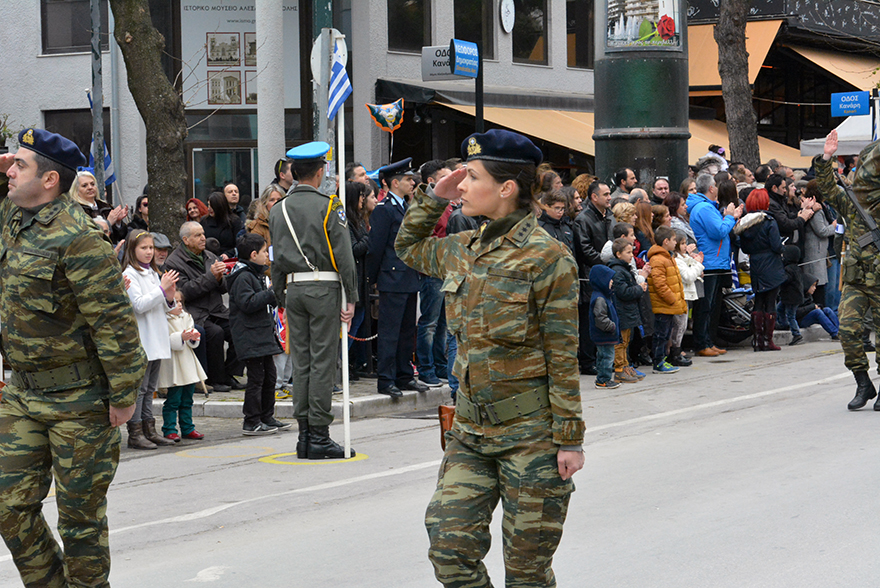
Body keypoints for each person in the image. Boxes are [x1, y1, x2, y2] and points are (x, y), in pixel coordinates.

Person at [395, 128, 585, 587]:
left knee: (526, 574)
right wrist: (434, 198)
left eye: (470, 176)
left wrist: (570, 438)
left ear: (506, 188)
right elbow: (408, 247)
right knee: (448, 548)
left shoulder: (548, 258)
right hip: (470, 433)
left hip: (532, 438)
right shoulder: (465, 250)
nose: (460, 184)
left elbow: (563, 355)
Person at [0, 128, 147, 587]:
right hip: (22, 393)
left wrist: (124, 394)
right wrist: (11, 159)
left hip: (79, 402)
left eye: (20, 165)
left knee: (80, 523)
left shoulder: (79, 239)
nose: (9, 169)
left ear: (48, 180)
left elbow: (115, 323)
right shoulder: (11, 214)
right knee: (9, 506)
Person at [269, 141, 358, 459]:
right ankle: (319, 434)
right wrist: (352, 296)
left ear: (293, 173)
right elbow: (344, 256)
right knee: (322, 363)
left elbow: (276, 258)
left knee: (302, 363)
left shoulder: (278, 209)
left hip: (293, 290)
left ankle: (305, 435)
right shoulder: (330, 205)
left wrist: (280, 294)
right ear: (320, 172)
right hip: (324, 289)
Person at [366, 158, 429, 397]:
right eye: (407, 179)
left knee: (406, 331)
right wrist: (372, 278)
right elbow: (377, 247)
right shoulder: (384, 210)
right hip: (392, 278)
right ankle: (386, 379)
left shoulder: (404, 206)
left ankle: (404, 375)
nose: (412, 182)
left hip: (408, 276)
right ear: (394, 182)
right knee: (390, 332)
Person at [165, 221, 242, 392]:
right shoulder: (173, 262)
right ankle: (215, 379)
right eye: (197, 235)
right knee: (215, 333)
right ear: (185, 239)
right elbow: (185, 292)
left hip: (216, 309)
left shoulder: (210, 256)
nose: (203, 238)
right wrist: (211, 276)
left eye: (203, 234)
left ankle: (230, 374)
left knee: (240, 326)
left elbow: (223, 288)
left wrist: (221, 277)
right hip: (195, 312)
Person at [122, 230, 181, 449]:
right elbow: (139, 304)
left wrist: (169, 296)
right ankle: (135, 431)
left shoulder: (153, 273)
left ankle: (149, 428)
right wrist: (161, 290)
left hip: (157, 334)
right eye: (143, 248)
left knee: (150, 388)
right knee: (141, 388)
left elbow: (163, 305)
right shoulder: (129, 274)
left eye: (151, 248)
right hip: (143, 337)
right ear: (132, 250)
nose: (149, 252)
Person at [228, 233, 289, 435]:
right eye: (264, 252)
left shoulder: (257, 275)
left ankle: (266, 416)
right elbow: (248, 303)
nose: (267, 256)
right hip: (249, 335)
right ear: (253, 254)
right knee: (256, 378)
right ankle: (251, 420)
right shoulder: (243, 276)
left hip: (262, 333)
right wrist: (270, 294)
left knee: (270, 376)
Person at [688, 173, 742, 357]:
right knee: (705, 306)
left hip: (716, 261)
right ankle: (702, 343)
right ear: (711, 188)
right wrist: (729, 217)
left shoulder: (708, 207)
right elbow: (718, 231)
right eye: (716, 186)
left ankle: (708, 341)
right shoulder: (704, 208)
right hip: (710, 263)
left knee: (713, 306)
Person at [573, 180, 616, 375]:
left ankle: (603, 359)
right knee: (591, 318)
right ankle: (588, 361)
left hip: (606, 272)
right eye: (606, 194)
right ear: (594, 197)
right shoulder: (583, 219)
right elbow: (584, 248)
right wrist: (602, 264)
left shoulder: (609, 216)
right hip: (591, 275)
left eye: (609, 194)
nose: (609, 198)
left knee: (606, 315)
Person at [735, 188, 785, 351]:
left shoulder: (745, 223)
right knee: (770, 302)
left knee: (759, 301)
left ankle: (757, 339)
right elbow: (777, 246)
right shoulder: (769, 221)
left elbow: (744, 247)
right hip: (771, 262)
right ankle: (767, 340)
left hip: (755, 262)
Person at [158, 290, 207, 442]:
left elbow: (192, 340)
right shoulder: (162, 319)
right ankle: (169, 428)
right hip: (173, 363)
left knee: (187, 398)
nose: (179, 305)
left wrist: (193, 338)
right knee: (173, 399)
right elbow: (164, 340)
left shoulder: (186, 317)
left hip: (187, 361)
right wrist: (180, 337)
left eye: (180, 302)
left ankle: (188, 427)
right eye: (175, 301)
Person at [647, 225, 687, 373]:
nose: (675, 243)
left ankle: (662, 360)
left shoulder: (667, 257)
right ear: (665, 241)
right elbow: (660, 284)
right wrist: (672, 299)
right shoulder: (658, 259)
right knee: (661, 334)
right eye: (673, 240)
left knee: (665, 334)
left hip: (668, 305)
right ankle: (658, 363)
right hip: (663, 304)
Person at [608, 237, 646, 384]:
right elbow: (623, 292)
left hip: (628, 311)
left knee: (626, 341)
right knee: (620, 342)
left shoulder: (624, 269)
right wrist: (639, 288)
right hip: (621, 311)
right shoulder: (618, 271)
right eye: (628, 252)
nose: (632, 255)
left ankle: (625, 366)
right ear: (618, 254)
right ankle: (619, 370)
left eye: (632, 252)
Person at [671, 231, 703, 364]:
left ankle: (677, 351)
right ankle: (675, 353)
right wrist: (698, 264)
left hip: (685, 296)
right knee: (679, 326)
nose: (685, 246)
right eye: (683, 243)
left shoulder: (683, 258)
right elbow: (688, 276)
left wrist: (693, 261)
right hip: (680, 295)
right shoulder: (677, 260)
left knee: (682, 326)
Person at [589, 264, 621, 389]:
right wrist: (612, 327)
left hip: (605, 335)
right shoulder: (600, 299)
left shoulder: (605, 296)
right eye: (609, 279)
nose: (612, 282)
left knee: (603, 356)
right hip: (604, 335)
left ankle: (602, 378)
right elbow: (600, 318)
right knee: (607, 357)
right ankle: (603, 380)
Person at [202, 191, 242, 259]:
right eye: (208, 205)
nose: (209, 208)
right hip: (208, 258)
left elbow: (240, 243)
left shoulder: (234, 221)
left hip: (228, 259)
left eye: (212, 206)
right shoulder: (204, 221)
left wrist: (228, 254)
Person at [780, 244, 806, 346]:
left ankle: (796, 334)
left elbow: (786, 280)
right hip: (790, 297)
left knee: (791, 315)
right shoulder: (796, 268)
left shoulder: (789, 269)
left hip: (791, 297)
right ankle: (784, 324)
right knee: (780, 309)